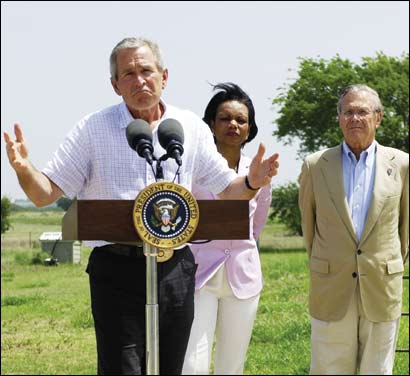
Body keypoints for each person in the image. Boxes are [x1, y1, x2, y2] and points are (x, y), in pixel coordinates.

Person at [3, 37, 279, 375]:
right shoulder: (93, 128)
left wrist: (252, 181)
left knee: (171, 367)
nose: (140, 80)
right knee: (125, 368)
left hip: (176, 268)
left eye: (146, 70)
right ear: (115, 84)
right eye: (128, 73)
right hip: (117, 270)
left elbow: (228, 190)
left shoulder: (189, 127)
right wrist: (23, 169)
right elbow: (44, 193)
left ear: (165, 76)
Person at [298, 84, 409, 375]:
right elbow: (309, 228)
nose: (355, 118)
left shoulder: (402, 165)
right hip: (331, 286)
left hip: (381, 287)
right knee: (327, 368)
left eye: (362, 112)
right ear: (339, 118)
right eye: (348, 112)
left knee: (378, 369)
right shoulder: (315, 165)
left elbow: (405, 230)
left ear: (378, 117)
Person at [182, 83, 271, 375]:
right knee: (193, 364)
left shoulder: (257, 171)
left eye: (241, 120)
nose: (233, 124)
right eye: (225, 118)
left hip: (242, 278)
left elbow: (255, 228)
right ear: (211, 123)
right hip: (198, 274)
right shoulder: (193, 168)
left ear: (249, 128)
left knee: (231, 365)